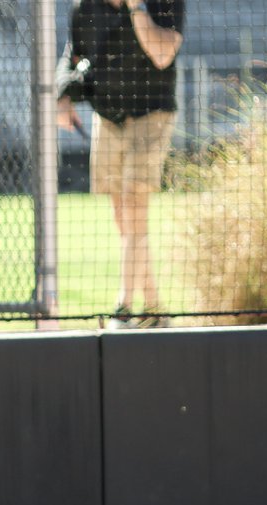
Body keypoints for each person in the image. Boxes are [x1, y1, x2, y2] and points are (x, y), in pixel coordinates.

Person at [55, 0, 185, 328]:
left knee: (134, 204)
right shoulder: (85, 8)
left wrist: (137, 7)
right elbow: (73, 54)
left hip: (152, 113)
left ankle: (124, 308)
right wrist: (62, 95)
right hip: (108, 116)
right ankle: (154, 308)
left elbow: (162, 54)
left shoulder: (163, 3)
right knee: (122, 216)